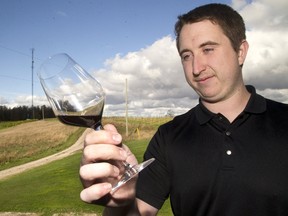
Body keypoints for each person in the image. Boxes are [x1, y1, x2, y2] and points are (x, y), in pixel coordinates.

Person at [79, 3, 288, 215]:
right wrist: (121, 203)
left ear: (240, 52)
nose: (196, 68)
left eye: (208, 50)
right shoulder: (168, 137)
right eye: (186, 56)